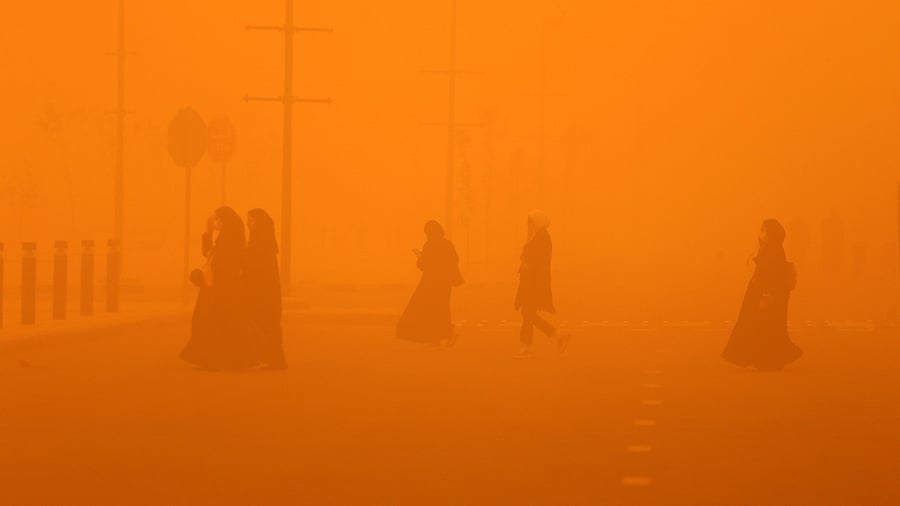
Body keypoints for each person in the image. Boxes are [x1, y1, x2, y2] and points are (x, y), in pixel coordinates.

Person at [181, 206, 257, 371]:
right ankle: (213, 358)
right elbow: (208, 254)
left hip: (221, 289)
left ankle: (219, 358)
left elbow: (223, 263)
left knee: (216, 323)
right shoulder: (225, 238)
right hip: (216, 287)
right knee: (211, 323)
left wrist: (208, 277)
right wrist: (208, 233)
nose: (215, 222)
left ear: (225, 221)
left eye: (217, 218)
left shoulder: (231, 241)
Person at [722, 219, 803, 371]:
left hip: (767, 295)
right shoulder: (768, 248)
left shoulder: (774, 250)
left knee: (765, 327)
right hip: (762, 294)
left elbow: (772, 275)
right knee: (762, 327)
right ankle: (764, 359)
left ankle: (768, 359)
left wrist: (767, 295)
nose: (761, 234)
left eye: (764, 230)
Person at [396, 220, 463, 348]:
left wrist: (419, 257)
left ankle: (447, 333)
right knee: (441, 309)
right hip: (445, 284)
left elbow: (425, 265)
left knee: (426, 310)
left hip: (430, 283)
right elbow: (454, 260)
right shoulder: (448, 244)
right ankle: (439, 337)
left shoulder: (430, 244)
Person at [514, 210, 570, 359]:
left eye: (531, 223)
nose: (529, 226)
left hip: (534, 282)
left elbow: (535, 260)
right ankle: (556, 336)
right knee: (528, 313)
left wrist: (526, 257)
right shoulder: (539, 237)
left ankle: (528, 347)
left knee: (527, 313)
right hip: (532, 281)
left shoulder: (542, 238)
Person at [244, 208, 287, 370]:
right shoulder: (261, 241)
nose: (248, 224)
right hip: (263, 292)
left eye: (252, 220)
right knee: (264, 325)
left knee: (265, 325)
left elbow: (257, 269)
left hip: (263, 293)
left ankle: (272, 360)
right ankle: (270, 359)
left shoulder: (261, 243)